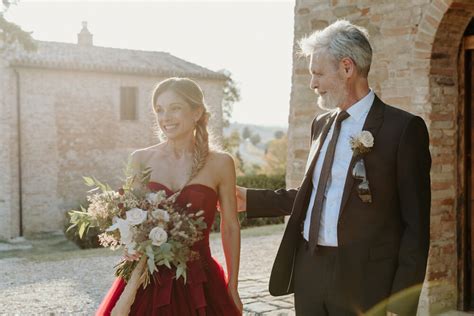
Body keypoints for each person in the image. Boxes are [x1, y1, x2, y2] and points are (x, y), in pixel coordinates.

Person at [237, 20, 431, 316]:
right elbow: (315, 193)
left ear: (347, 68)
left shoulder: (403, 130)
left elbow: (415, 225)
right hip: (309, 269)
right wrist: (249, 199)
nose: (312, 84)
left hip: (366, 282)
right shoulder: (321, 124)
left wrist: (401, 305)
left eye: (317, 73)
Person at [96, 77, 243, 315]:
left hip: (200, 278)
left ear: (196, 112)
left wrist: (233, 286)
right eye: (160, 110)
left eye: (175, 108)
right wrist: (129, 244)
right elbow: (128, 218)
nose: (166, 117)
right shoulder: (140, 160)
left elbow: (230, 227)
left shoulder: (221, 163)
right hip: (148, 278)